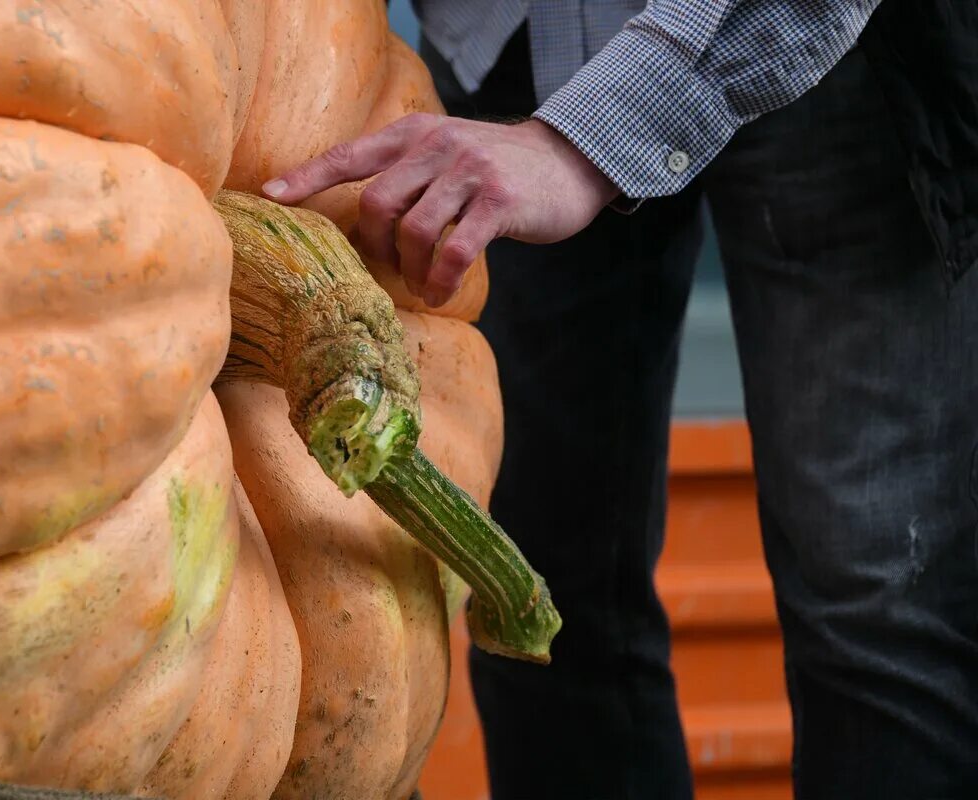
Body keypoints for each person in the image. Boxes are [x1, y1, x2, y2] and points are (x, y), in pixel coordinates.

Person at [264, 1, 978, 798]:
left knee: (878, 606)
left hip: (836, 46)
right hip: (511, 34)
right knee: (543, 598)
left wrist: (581, 144)